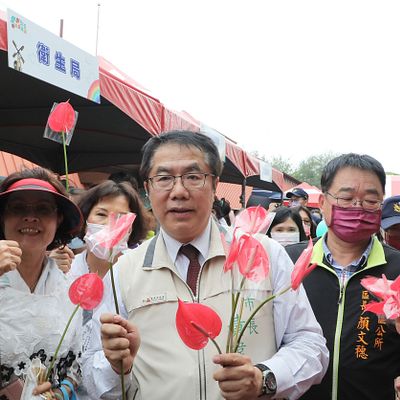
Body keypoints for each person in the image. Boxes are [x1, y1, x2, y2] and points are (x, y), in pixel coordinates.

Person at [83, 131, 328, 400]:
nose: (179, 192)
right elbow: (94, 375)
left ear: (214, 185)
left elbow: (310, 345)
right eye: (164, 178)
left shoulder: (265, 254)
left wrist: (264, 378)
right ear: (148, 189)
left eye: (193, 177)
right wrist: (116, 367)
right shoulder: (123, 271)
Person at [285, 153, 400, 400]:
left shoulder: (397, 267)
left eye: (371, 200)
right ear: (323, 202)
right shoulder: (289, 261)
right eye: (346, 198)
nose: (357, 208)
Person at [0, 167, 83, 399]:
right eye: (18, 208)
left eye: (43, 209)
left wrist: (58, 393)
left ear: (59, 219)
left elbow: (76, 366)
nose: (30, 217)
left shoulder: (69, 289)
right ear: (2, 217)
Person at [68, 179, 151, 399]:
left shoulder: (141, 275)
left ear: (132, 226)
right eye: (101, 214)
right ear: (85, 219)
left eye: (120, 218)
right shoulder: (65, 273)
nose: (109, 225)